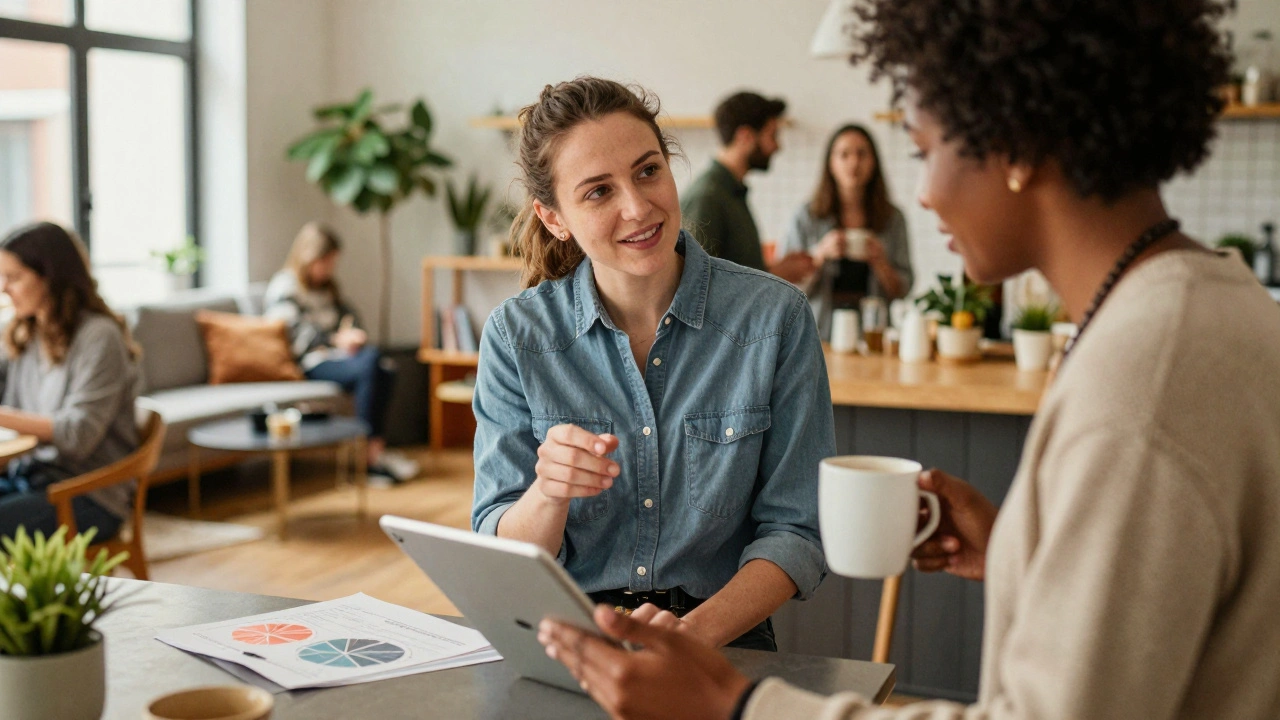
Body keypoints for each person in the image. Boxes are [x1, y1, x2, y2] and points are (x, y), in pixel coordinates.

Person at [538, 1, 1280, 718]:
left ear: (1015, 147)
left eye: (924, 151)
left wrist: (734, 704)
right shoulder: (1206, 308)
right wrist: (1027, 553)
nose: (921, 194)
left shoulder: (1137, 385)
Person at [471, 77, 833, 652]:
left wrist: (690, 639)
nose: (638, 208)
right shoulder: (516, 337)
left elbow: (798, 531)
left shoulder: (775, 319)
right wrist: (548, 493)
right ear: (553, 216)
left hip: (721, 642)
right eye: (597, 192)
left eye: (647, 171)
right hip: (568, 640)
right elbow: (499, 540)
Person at [0, 222, 141, 541]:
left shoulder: (98, 337)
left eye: (14, 278)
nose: (3, 288)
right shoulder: (27, 331)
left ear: (50, 276)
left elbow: (78, 434)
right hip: (31, 479)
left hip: (88, 496)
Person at [263, 222, 418, 483]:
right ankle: (368, 460)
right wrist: (337, 340)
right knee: (370, 362)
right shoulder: (285, 287)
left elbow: (347, 315)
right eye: (325, 262)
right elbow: (291, 333)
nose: (329, 269)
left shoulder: (327, 288)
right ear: (309, 257)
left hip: (336, 356)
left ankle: (373, 453)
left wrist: (352, 333)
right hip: (310, 362)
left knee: (385, 368)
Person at [779, 124, 913, 340]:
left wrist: (881, 263)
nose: (854, 162)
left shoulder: (893, 218)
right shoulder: (807, 216)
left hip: (873, 335)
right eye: (844, 154)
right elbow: (785, 286)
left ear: (874, 162)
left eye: (862, 154)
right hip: (817, 332)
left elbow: (904, 290)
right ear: (830, 163)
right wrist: (820, 254)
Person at [681, 91, 815, 284]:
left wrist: (773, 270)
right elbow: (697, 283)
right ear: (745, 136)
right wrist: (775, 276)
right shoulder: (707, 197)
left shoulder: (731, 192)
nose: (777, 146)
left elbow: (730, 271)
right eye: (772, 135)